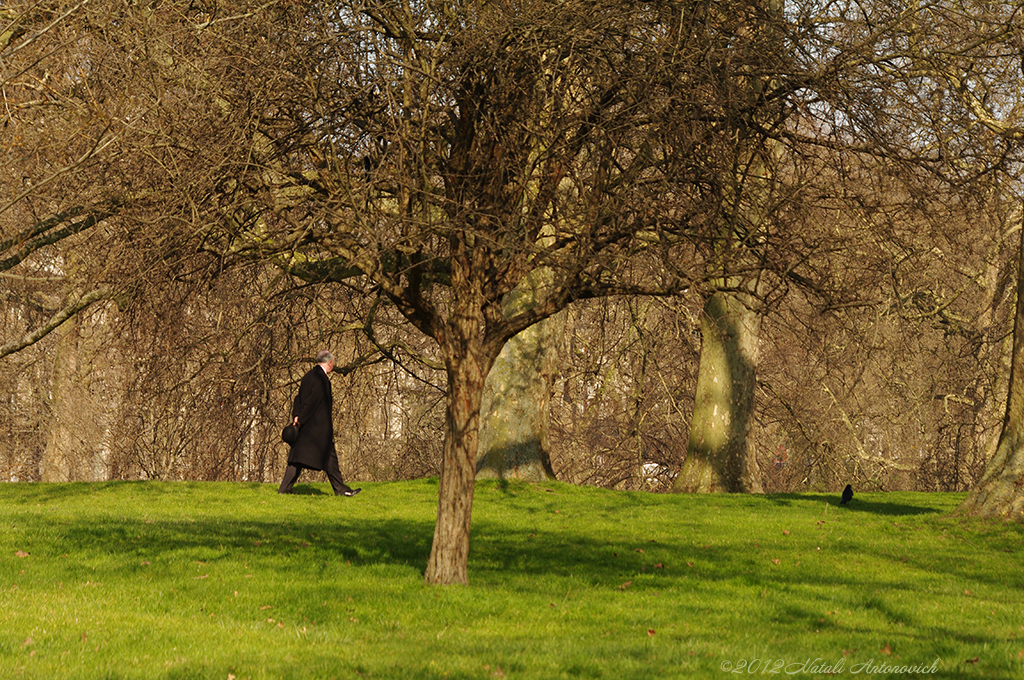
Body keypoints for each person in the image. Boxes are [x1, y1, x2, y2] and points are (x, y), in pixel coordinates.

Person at [278, 350, 361, 497]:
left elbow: (298, 398)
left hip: (307, 426)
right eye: (333, 364)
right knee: (324, 457)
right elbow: (312, 402)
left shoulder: (308, 376)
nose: (333, 367)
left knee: (298, 459)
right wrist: (301, 420)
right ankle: (341, 490)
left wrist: (296, 416)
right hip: (317, 428)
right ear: (329, 363)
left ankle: (285, 488)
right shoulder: (321, 379)